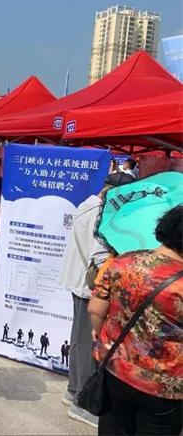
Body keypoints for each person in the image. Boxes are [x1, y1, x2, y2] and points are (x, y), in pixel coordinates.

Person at [88, 206, 183, 436]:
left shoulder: (124, 261)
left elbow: (95, 310)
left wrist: (103, 334)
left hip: (115, 369)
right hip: (164, 387)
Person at [57, 172, 135, 426]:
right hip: (89, 286)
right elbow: (99, 256)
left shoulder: (87, 204)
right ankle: (83, 403)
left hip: (78, 280)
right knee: (88, 343)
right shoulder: (101, 212)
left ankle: (73, 390)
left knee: (78, 338)